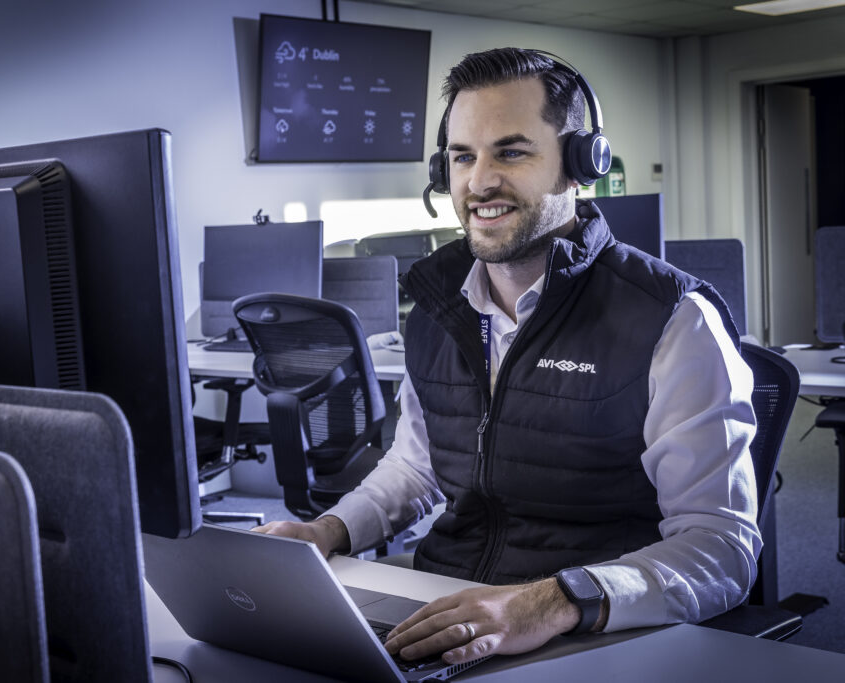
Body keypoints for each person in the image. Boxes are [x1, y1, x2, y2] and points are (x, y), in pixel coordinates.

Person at [255, 47, 759, 666]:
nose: (479, 181)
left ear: (581, 164)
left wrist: (549, 602)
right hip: (447, 606)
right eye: (463, 156)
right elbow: (416, 468)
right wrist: (324, 531)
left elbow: (721, 546)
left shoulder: (671, 319)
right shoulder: (439, 309)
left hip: (597, 634)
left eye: (511, 152)